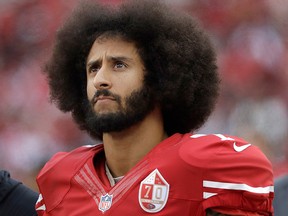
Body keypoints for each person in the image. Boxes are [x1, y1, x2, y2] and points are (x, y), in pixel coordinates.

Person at [34, 0, 274, 215]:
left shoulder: (211, 168)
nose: (100, 80)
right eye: (93, 68)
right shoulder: (60, 179)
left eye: (118, 65)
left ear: (160, 78)